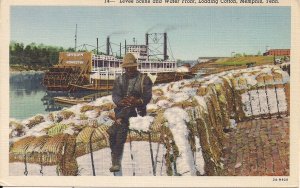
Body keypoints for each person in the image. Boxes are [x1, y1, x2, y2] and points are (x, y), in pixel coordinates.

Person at [108, 53, 153, 172]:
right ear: (124, 68)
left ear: (136, 67)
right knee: (118, 126)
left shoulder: (144, 79)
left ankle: (116, 162)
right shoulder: (119, 80)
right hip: (123, 109)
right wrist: (121, 101)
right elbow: (115, 96)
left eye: (131, 67)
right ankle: (120, 120)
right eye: (127, 68)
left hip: (137, 111)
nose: (129, 70)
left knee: (120, 128)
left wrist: (137, 101)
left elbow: (147, 97)